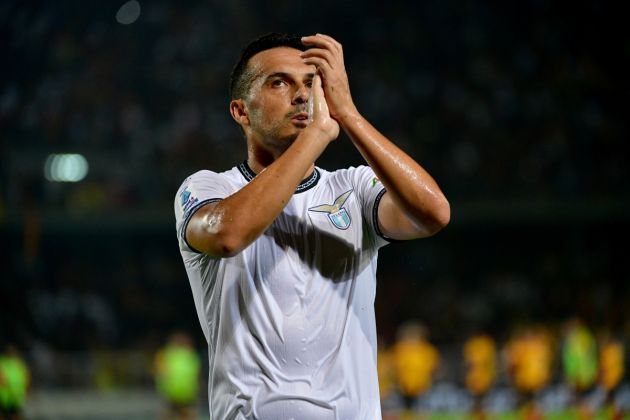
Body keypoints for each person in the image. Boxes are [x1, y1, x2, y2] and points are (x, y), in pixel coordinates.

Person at [174, 32, 450, 419]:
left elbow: (433, 213)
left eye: (310, 83)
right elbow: (227, 235)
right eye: (279, 83)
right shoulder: (209, 187)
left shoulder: (352, 188)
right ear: (240, 111)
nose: (302, 95)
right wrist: (318, 135)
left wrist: (349, 113)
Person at [153, 331, 201, 420]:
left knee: (171, 415)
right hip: (181, 393)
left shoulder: (168, 354)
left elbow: (159, 372)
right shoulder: (190, 355)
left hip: (178, 393)